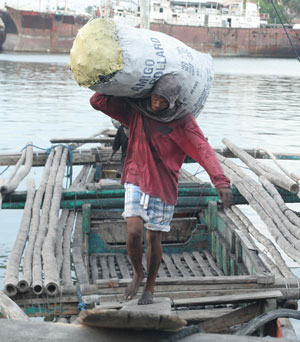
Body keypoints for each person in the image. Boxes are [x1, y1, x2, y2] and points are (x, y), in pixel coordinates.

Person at [90, 74, 232, 305]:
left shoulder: (182, 121)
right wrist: (117, 82)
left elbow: (203, 150)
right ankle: (138, 273)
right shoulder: (136, 110)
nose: (156, 105)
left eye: (162, 101)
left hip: (162, 183)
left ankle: (151, 285)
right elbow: (98, 102)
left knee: (153, 237)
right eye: (155, 98)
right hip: (135, 175)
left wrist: (221, 181)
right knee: (134, 231)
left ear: (173, 101)